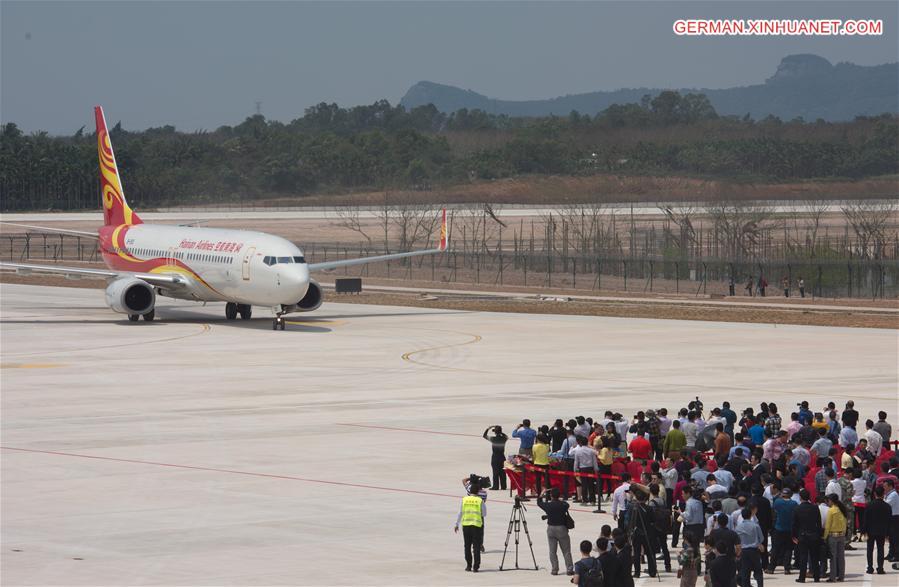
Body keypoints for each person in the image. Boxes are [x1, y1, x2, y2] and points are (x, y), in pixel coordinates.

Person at [537, 488, 574, 576]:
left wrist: (541, 494)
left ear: (551, 496)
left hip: (551, 529)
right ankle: (569, 569)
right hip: (561, 528)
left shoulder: (548, 506)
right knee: (566, 551)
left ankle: (554, 569)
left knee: (552, 551)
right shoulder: (563, 505)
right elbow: (567, 504)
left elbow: (539, 503)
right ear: (559, 495)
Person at [791, 489, 822, 583]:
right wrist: (818, 534)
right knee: (814, 557)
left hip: (802, 535)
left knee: (803, 557)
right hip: (814, 535)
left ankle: (802, 577)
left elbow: (794, 524)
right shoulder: (815, 508)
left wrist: (794, 536)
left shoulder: (797, 508)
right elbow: (819, 523)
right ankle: (817, 577)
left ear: (800, 497)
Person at [627, 484, 658, 578]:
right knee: (650, 553)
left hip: (636, 533)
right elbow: (653, 520)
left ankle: (637, 572)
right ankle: (652, 571)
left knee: (636, 553)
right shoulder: (649, 508)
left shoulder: (632, 508)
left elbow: (629, 521)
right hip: (648, 533)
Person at [453, 489, 486, 572]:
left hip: (466, 526)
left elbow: (460, 512)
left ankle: (468, 566)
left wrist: (456, 524)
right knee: (476, 547)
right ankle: (476, 567)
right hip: (476, 526)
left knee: (467, 546)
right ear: (477, 492)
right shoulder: (479, 500)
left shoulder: (464, 499)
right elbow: (484, 514)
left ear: (469, 492)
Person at [768, 487, 797, 574]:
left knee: (775, 548)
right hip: (789, 529)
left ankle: (771, 568)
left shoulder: (778, 502)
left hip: (778, 528)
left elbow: (774, 511)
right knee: (788, 549)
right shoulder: (794, 504)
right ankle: (787, 568)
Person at [735, 507, 765, 587]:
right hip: (754, 551)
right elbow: (761, 538)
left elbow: (737, 541)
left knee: (745, 572)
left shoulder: (738, 527)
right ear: (751, 515)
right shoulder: (755, 526)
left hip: (744, 551)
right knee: (758, 571)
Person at [865, 485, 890, 574]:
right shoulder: (887, 506)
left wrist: (864, 531)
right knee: (880, 549)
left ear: (875, 494)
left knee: (870, 549)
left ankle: (870, 568)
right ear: (883, 494)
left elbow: (865, 519)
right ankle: (880, 568)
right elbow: (889, 520)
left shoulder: (869, 505)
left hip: (870, 531)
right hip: (882, 531)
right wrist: (888, 533)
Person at [823, 493, 847, 582]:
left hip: (833, 536)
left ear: (831, 501)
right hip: (842, 535)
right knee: (841, 557)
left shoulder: (831, 510)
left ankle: (832, 577)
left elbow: (828, 525)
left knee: (833, 557)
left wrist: (824, 537)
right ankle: (841, 576)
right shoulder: (842, 509)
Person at [570, 435, 598, 506]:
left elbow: (576, 462)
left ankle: (585, 500)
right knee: (591, 485)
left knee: (584, 485)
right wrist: (596, 469)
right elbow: (594, 461)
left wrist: (575, 470)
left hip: (582, 469)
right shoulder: (591, 451)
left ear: (581, 443)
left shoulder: (578, 451)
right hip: (590, 469)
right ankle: (592, 501)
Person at [483, 425, 508, 490]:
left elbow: (484, 435)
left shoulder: (493, 439)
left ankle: (496, 486)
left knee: (495, 472)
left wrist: (488, 428)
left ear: (495, 432)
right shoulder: (504, 439)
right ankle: (503, 486)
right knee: (502, 472)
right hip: (502, 457)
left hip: (495, 457)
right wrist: (501, 432)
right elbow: (506, 436)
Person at [884, 479, 899, 562]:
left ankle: (896, 555)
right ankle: (891, 554)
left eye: (885, 486)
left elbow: (886, 505)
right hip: (891, 518)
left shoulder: (893, 495)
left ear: (890, 486)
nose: (884, 488)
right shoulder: (889, 494)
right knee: (891, 537)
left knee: (895, 538)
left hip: (895, 518)